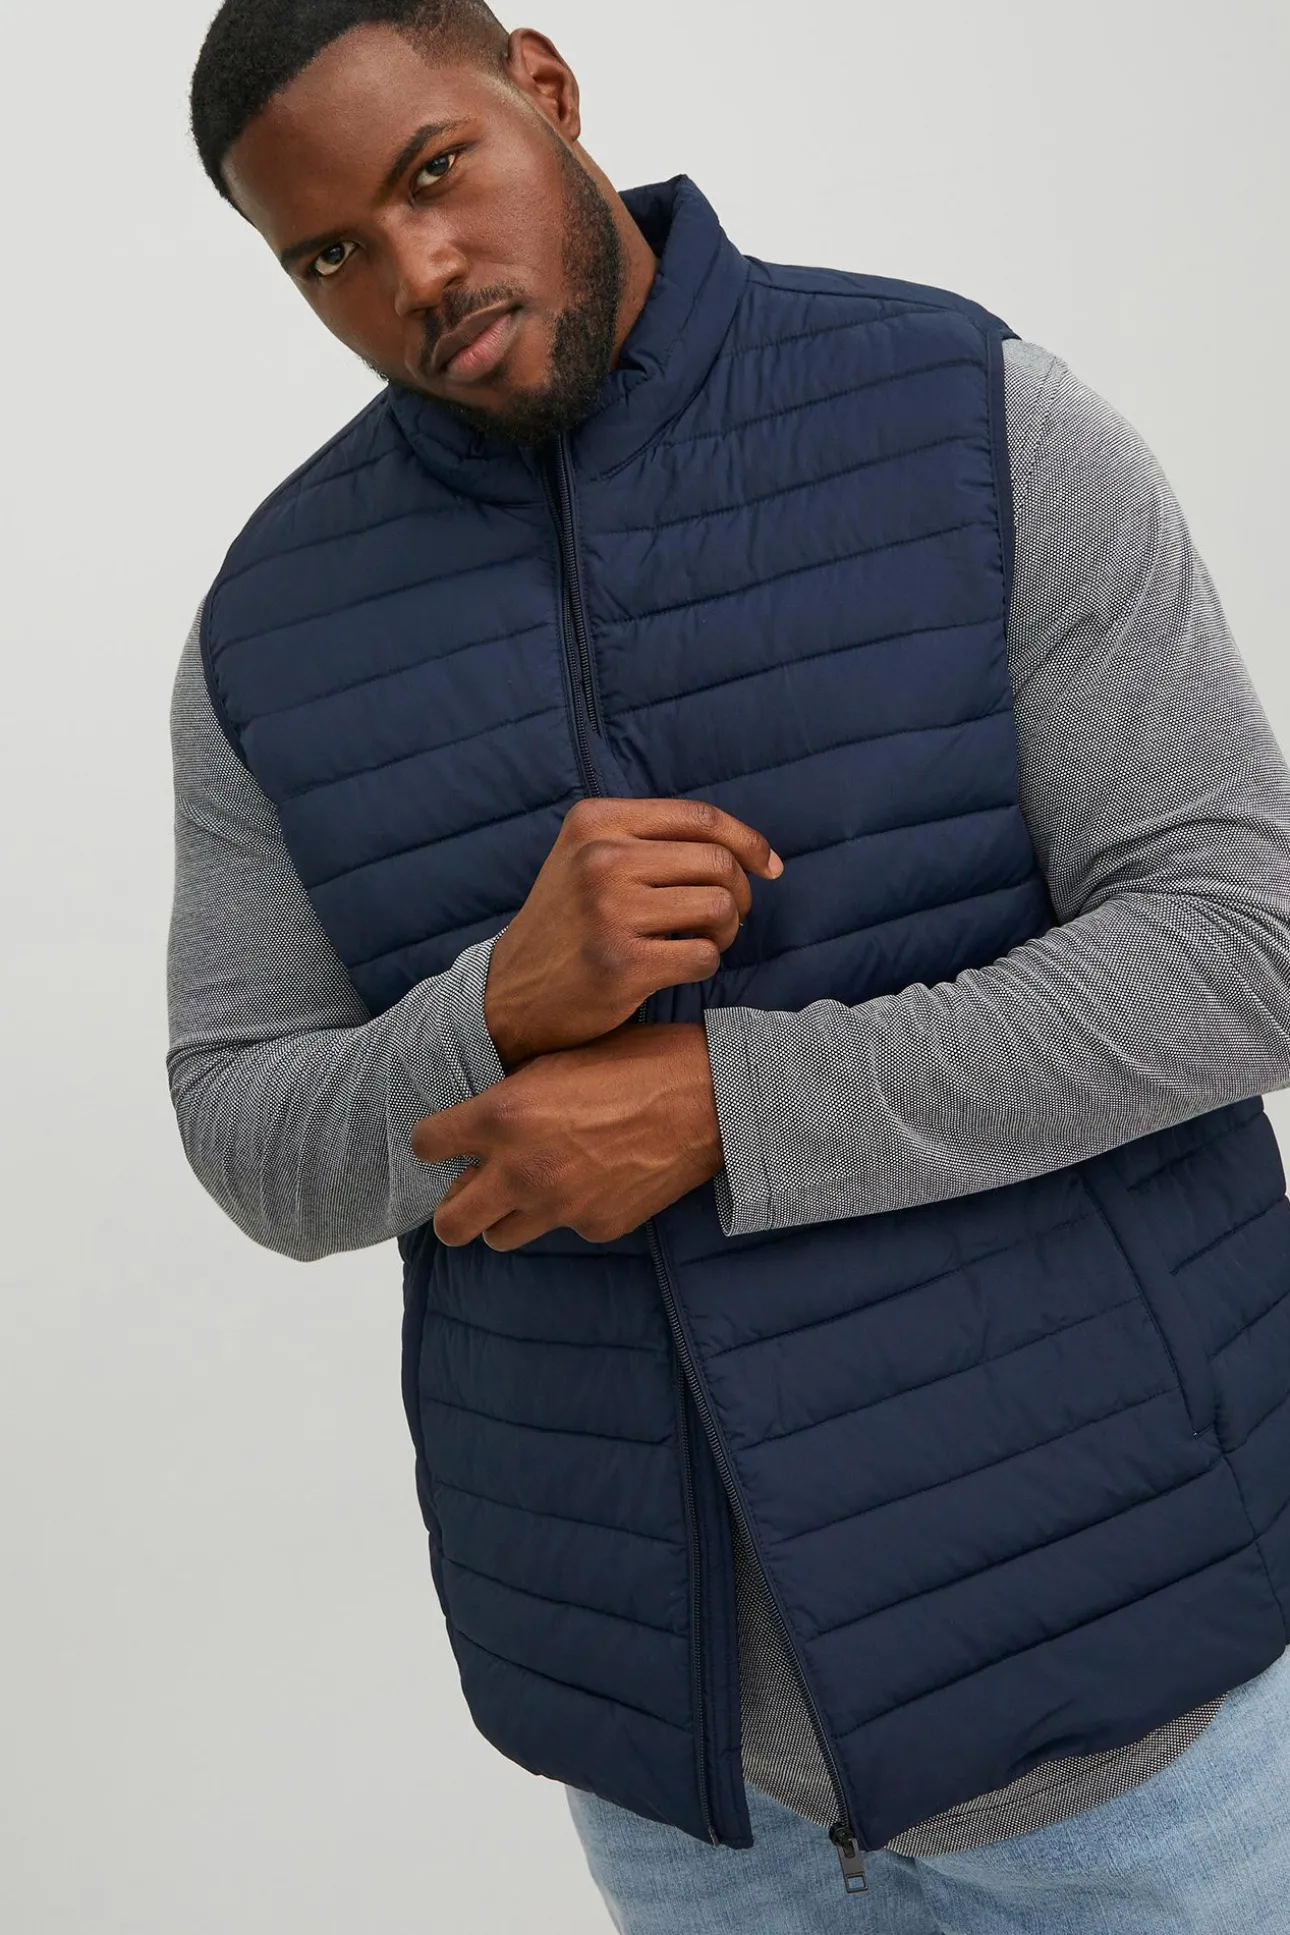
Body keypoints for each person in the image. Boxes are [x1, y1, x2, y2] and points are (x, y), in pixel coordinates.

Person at [169, 3, 1290, 1928]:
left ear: (541, 87)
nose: (414, 273)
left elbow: (1239, 943)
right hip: (684, 1786)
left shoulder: (963, 417)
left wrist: (723, 1104)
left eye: (435, 173)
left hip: (1132, 1710)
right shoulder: (267, 628)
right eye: (328, 252)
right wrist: (494, 1005)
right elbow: (249, 1132)